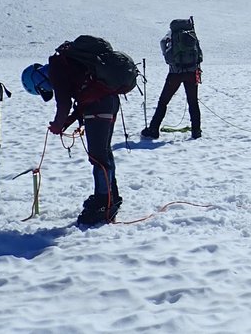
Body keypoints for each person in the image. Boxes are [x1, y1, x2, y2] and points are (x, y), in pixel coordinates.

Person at [21, 45, 123, 225]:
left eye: (42, 90)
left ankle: (103, 202)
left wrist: (58, 123)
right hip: (108, 103)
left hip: (99, 107)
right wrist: (67, 122)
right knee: (104, 153)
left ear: (38, 81)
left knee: (98, 157)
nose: (47, 90)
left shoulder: (56, 71)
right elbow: (85, 97)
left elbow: (64, 102)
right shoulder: (66, 68)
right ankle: (110, 197)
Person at [141, 18, 203, 141]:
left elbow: (163, 43)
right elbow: (199, 55)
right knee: (193, 102)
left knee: (163, 101)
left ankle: (153, 129)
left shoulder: (172, 34)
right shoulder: (192, 33)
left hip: (175, 73)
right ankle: (196, 131)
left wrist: (168, 58)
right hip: (192, 72)